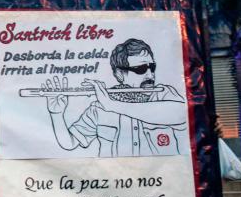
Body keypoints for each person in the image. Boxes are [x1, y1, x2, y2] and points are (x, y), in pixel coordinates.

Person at [46, 38, 186, 157]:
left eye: (152, 68)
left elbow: (180, 114)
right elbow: (69, 143)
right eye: (141, 69)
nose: (150, 75)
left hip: (160, 184)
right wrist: (56, 114)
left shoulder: (165, 95)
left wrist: (112, 105)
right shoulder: (99, 108)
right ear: (119, 74)